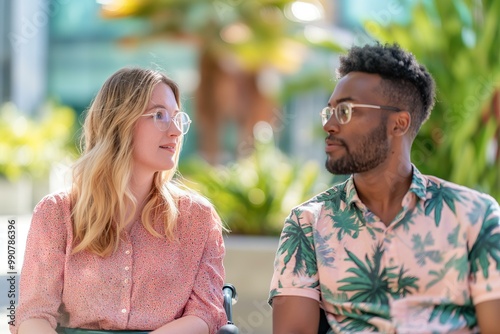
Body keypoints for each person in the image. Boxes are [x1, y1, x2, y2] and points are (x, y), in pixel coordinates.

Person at [269, 43, 500, 333]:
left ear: (399, 123)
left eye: (345, 111)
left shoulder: (475, 215)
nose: (329, 125)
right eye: (328, 112)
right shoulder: (308, 223)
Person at [11, 67, 227, 334]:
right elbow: (32, 315)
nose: (175, 131)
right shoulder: (56, 213)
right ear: (119, 121)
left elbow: (206, 312)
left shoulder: (198, 218)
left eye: (177, 118)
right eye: (159, 115)